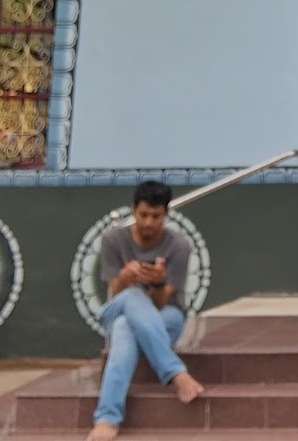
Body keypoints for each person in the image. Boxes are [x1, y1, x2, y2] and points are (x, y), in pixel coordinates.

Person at [88, 180, 204, 441]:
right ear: (133, 210)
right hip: (117, 308)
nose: (149, 222)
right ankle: (175, 372)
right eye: (143, 215)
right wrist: (126, 277)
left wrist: (159, 282)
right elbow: (115, 292)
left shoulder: (179, 245)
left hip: (166, 316)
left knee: (125, 328)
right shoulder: (113, 239)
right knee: (130, 298)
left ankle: (107, 418)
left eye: (156, 216)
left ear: (166, 214)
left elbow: (161, 303)